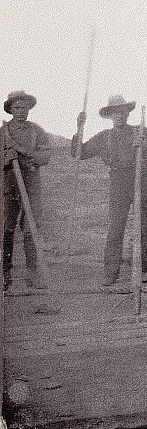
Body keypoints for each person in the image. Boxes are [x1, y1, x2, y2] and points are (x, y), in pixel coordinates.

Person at [72, 95, 147, 286]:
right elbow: (79, 153)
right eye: (115, 112)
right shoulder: (103, 137)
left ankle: (141, 270)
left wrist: (146, 148)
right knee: (115, 229)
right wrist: (79, 128)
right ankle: (111, 272)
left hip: (140, 179)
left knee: (142, 227)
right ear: (109, 115)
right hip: (118, 181)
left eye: (123, 111)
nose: (119, 115)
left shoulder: (143, 132)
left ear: (128, 112)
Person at [2, 90, 53, 289]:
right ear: (11, 110)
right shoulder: (3, 132)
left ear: (29, 109)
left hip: (31, 182)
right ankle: (5, 274)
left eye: (24, 108)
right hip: (8, 183)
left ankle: (33, 273)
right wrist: (6, 158)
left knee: (31, 227)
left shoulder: (37, 131)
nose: (21, 111)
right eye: (17, 108)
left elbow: (45, 155)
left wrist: (28, 156)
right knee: (6, 227)